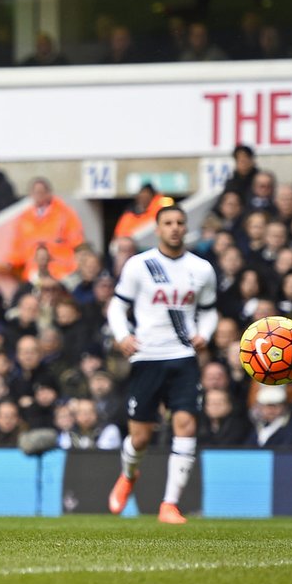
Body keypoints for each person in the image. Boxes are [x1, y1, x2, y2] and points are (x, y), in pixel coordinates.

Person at [107, 205, 218, 524]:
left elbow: (209, 310)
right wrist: (122, 335)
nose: (174, 228)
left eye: (180, 223)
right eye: (167, 222)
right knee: (140, 437)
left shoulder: (201, 269)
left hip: (183, 358)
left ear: (187, 229)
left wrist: (204, 334)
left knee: (186, 425)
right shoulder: (139, 265)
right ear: (157, 229)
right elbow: (117, 306)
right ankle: (128, 475)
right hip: (147, 357)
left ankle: (169, 505)